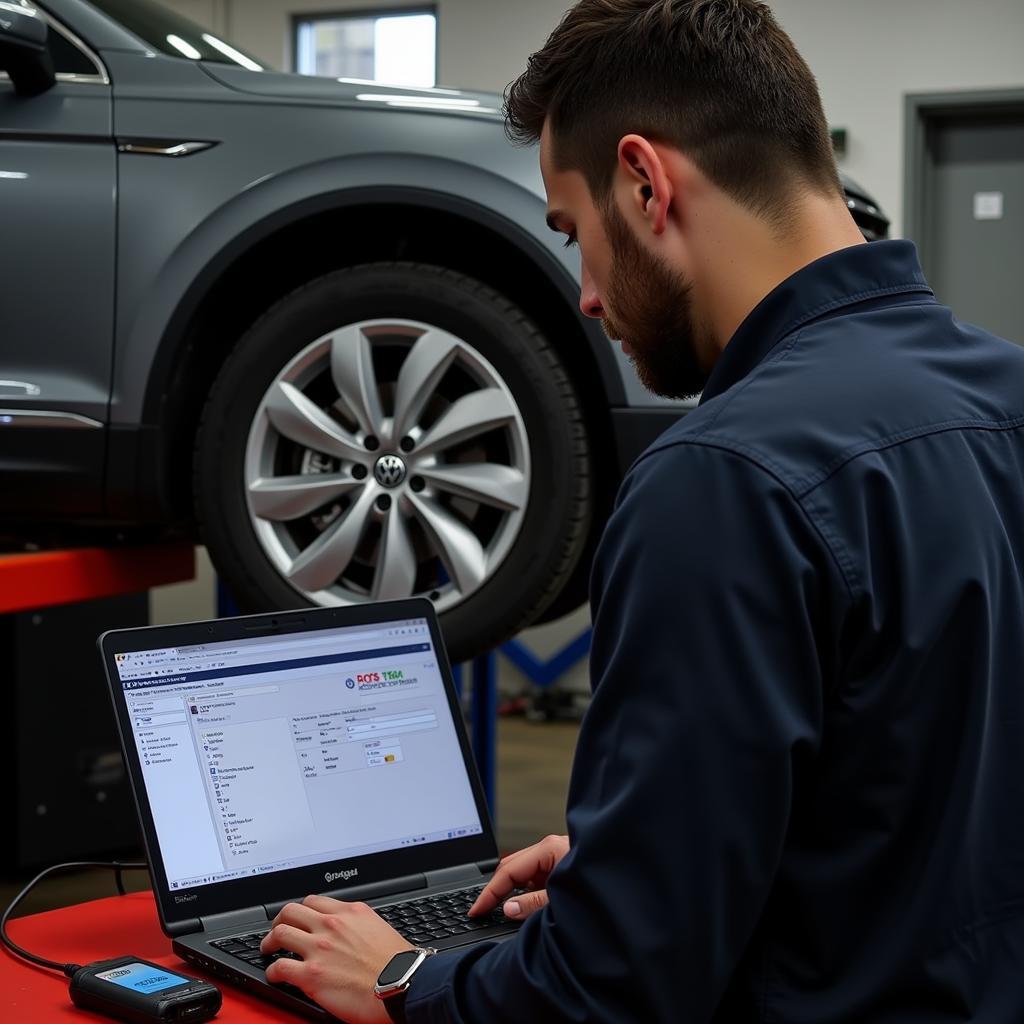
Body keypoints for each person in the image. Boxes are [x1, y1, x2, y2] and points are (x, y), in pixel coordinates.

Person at [259, 2, 1024, 1020]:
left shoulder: (721, 481)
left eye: (574, 234)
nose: (583, 292)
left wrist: (407, 978)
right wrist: (659, 844)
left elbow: (614, 995)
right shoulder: (1007, 395)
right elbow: (932, 799)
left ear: (643, 181)